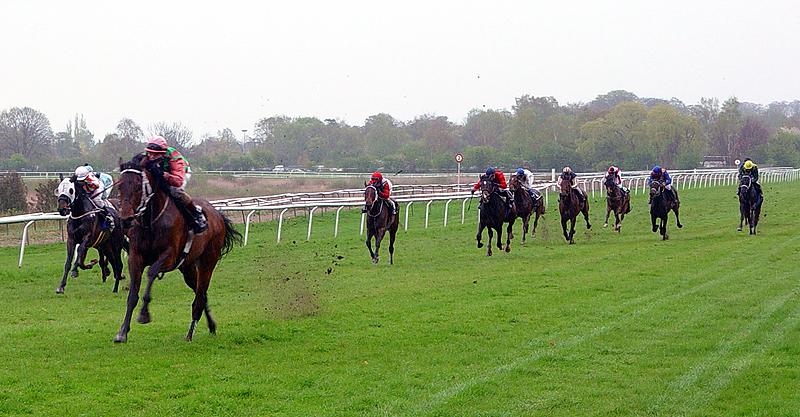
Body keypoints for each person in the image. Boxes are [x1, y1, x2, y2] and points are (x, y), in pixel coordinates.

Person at [144, 136, 208, 233]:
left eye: (156, 154)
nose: (151, 157)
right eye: (150, 153)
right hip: (165, 172)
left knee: (175, 192)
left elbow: (178, 181)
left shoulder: (174, 157)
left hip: (180, 173)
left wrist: (166, 176)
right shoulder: (146, 156)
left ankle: (196, 213)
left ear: (163, 153)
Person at [74, 165, 115, 231]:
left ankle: (107, 214)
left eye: (82, 180)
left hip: (99, 186)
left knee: (96, 199)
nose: (80, 181)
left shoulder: (92, 181)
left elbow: (94, 189)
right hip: (89, 186)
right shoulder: (78, 176)